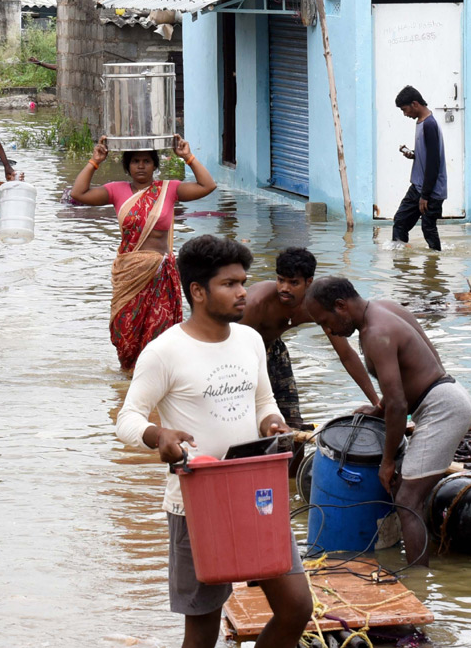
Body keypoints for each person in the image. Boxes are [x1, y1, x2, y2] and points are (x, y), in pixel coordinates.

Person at [115, 235, 312, 647]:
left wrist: (273, 423)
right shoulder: (164, 351)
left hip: (256, 494)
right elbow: (127, 419)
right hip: (196, 505)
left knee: (296, 608)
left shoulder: (250, 340)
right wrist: (158, 435)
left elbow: (262, 401)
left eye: (243, 281)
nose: (243, 292)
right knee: (202, 632)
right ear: (198, 292)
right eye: (229, 284)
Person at [306, 277, 471, 567]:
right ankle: (414, 562)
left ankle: (418, 582)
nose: (329, 330)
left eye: (325, 321)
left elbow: (398, 404)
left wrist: (386, 461)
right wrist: (379, 407)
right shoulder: (386, 307)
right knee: (408, 494)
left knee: (407, 500)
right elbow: (427, 361)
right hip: (447, 394)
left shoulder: (375, 334)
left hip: (441, 408)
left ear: (341, 306)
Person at [70, 135, 217, 370]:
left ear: (155, 165)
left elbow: (208, 186)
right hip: (130, 275)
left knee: (160, 335)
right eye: (135, 161)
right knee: (125, 332)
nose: (141, 165)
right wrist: (95, 161)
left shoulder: (169, 189)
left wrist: (187, 157)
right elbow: (78, 194)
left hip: (160, 275)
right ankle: (128, 385)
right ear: (127, 166)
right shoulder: (116, 190)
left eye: (146, 161)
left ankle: (157, 386)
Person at [241, 248, 379, 428]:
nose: (284, 288)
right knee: (249, 417)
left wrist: (377, 403)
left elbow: (346, 354)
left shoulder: (315, 305)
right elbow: (230, 344)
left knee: (292, 423)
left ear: (309, 282)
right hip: (246, 355)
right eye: (280, 280)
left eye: (293, 283)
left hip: (275, 351)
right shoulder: (257, 302)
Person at [393, 85, 446, 252]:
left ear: (415, 104)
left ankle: (434, 267)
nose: (405, 114)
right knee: (400, 221)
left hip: (430, 190)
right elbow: (427, 155)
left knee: (428, 228)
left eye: (405, 109)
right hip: (419, 186)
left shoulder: (430, 125)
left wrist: (425, 196)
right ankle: (402, 267)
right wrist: (414, 154)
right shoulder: (421, 123)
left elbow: (434, 163)